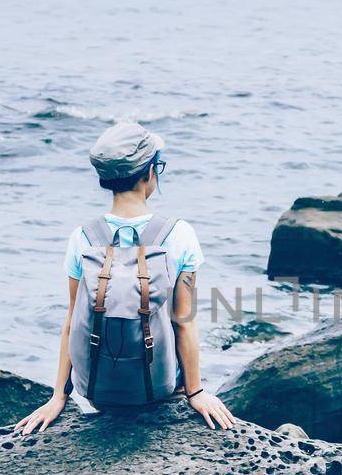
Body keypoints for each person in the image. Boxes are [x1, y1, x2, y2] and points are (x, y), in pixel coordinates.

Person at [16, 121, 236, 433]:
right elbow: (183, 321)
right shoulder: (179, 234)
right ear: (149, 173)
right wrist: (196, 392)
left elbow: (73, 319)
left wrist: (58, 396)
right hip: (159, 391)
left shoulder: (83, 237)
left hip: (96, 391)